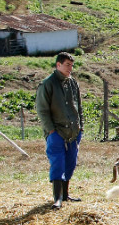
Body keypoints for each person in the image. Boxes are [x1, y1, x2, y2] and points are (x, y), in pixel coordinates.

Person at [35, 52, 84, 209]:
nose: (70, 68)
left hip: (73, 130)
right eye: (67, 65)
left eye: (72, 65)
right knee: (57, 162)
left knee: (70, 162)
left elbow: (79, 106)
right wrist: (50, 131)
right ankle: (57, 198)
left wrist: (80, 126)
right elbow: (42, 110)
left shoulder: (73, 83)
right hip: (56, 131)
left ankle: (65, 194)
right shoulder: (47, 84)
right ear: (58, 65)